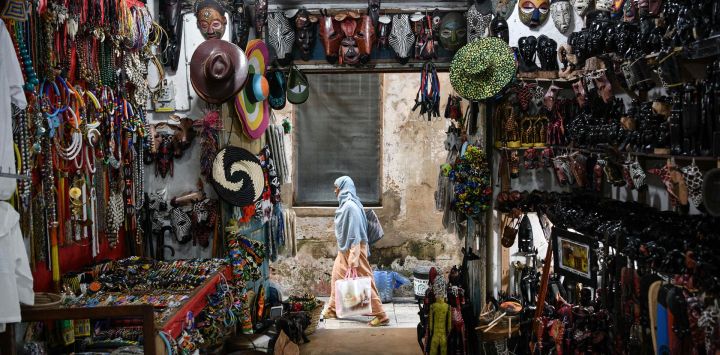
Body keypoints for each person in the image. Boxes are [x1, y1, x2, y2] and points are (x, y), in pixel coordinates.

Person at [323, 176, 389, 326]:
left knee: (365, 282)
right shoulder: (348, 205)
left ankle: (381, 315)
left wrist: (354, 258)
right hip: (345, 249)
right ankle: (333, 309)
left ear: (344, 188)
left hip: (355, 249)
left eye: (337, 187)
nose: (335, 191)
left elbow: (355, 233)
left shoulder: (350, 207)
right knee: (336, 277)